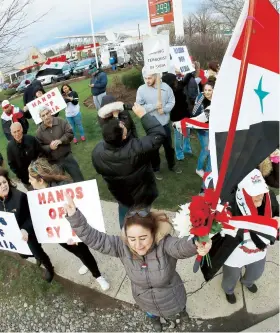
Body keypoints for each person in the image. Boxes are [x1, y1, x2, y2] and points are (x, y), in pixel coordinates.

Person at [64, 197, 212, 331]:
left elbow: (181, 247)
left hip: (171, 297)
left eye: (143, 237)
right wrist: (74, 217)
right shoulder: (122, 247)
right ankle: (154, 318)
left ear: (153, 234)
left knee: (178, 308)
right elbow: (96, 239)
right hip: (144, 299)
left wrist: (196, 243)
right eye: (132, 239)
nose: (138, 245)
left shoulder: (165, 244)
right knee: (150, 312)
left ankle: (181, 312)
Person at [28, 158, 110, 291]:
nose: (29, 182)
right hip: (59, 234)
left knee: (84, 253)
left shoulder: (62, 188)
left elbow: (79, 208)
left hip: (74, 231)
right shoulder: (35, 196)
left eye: (31, 179)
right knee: (77, 253)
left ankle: (98, 276)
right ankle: (85, 263)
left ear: (40, 180)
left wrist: (73, 233)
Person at [92, 103, 166, 228]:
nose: (122, 123)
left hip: (121, 195)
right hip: (141, 197)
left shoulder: (97, 152)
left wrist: (115, 117)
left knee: (124, 212)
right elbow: (158, 134)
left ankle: (123, 231)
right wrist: (143, 115)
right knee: (141, 222)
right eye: (121, 125)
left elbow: (114, 134)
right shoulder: (137, 150)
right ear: (124, 135)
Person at [220, 169, 279, 304]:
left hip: (260, 248)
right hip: (236, 251)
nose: (259, 196)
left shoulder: (268, 196)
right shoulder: (230, 203)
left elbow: (277, 212)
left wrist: (277, 223)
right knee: (231, 276)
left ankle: (247, 281)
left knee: (257, 271)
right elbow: (222, 228)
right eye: (254, 193)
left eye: (261, 192)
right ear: (242, 193)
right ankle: (228, 290)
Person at [0, 168, 54, 282]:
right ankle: (34, 256)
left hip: (28, 233)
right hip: (14, 236)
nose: (3, 186)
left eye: (4, 182)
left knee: (38, 253)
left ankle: (49, 267)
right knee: (24, 255)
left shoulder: (20, 197)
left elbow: (33, 215)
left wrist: (25, 229)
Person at [136, 67, 181, 180]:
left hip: (164, 123)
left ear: (156, 76)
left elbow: (172, 101)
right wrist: (153, 107)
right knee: (153, 149)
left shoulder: (165, 88)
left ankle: (172, 165)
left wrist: (165, 109)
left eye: (149, 78)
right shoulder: (141, 90)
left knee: (168, 147)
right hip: (151, 125)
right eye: (145, 78)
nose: (147, 80)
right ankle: (155, 169)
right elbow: (139, 106)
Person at [36, 105, 84, 182]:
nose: (46, 117)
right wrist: (49, 147)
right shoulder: (39, 132)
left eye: (47, 113)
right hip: (54, 163)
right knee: (61, 184)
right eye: (43, 115)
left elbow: (70, 133)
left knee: (79, 179)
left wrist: (61, 140)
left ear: (50, 112)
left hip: (67, 157)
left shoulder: (61, 121)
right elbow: (39, 148)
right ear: (41, 118)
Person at [162, 73, 192, 160]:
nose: (177, 80)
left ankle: (187, 148)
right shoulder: (168, 92)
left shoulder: (178, 85)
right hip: (176, 118)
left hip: (186, 115)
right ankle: (179, 153)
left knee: (187, 133)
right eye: (175, 79)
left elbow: (184, 81)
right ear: (171, 82)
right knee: (178, 136)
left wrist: (190, 72)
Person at [7, 122, 44, 189]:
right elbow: (11, 163)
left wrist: (38, 166)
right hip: (25, 179)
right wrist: (19, 175)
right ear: (11, 133)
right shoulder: (10, 146)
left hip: (39, 174)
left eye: (18, 131)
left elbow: (41, 152)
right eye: (14, 132)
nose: (17, 134)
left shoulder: (31, 139)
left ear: (22, 130)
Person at [192, 79, 215, 178]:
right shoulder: (201, 97)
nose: (207, 92)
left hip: (213, 129)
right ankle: (199, 168)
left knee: (212, 150)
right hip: (203, 129)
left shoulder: (218, 98)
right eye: (205, 90)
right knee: (206, 150)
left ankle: (209, 170)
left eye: (209, 90)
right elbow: (194, 112)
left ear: (214, 90)